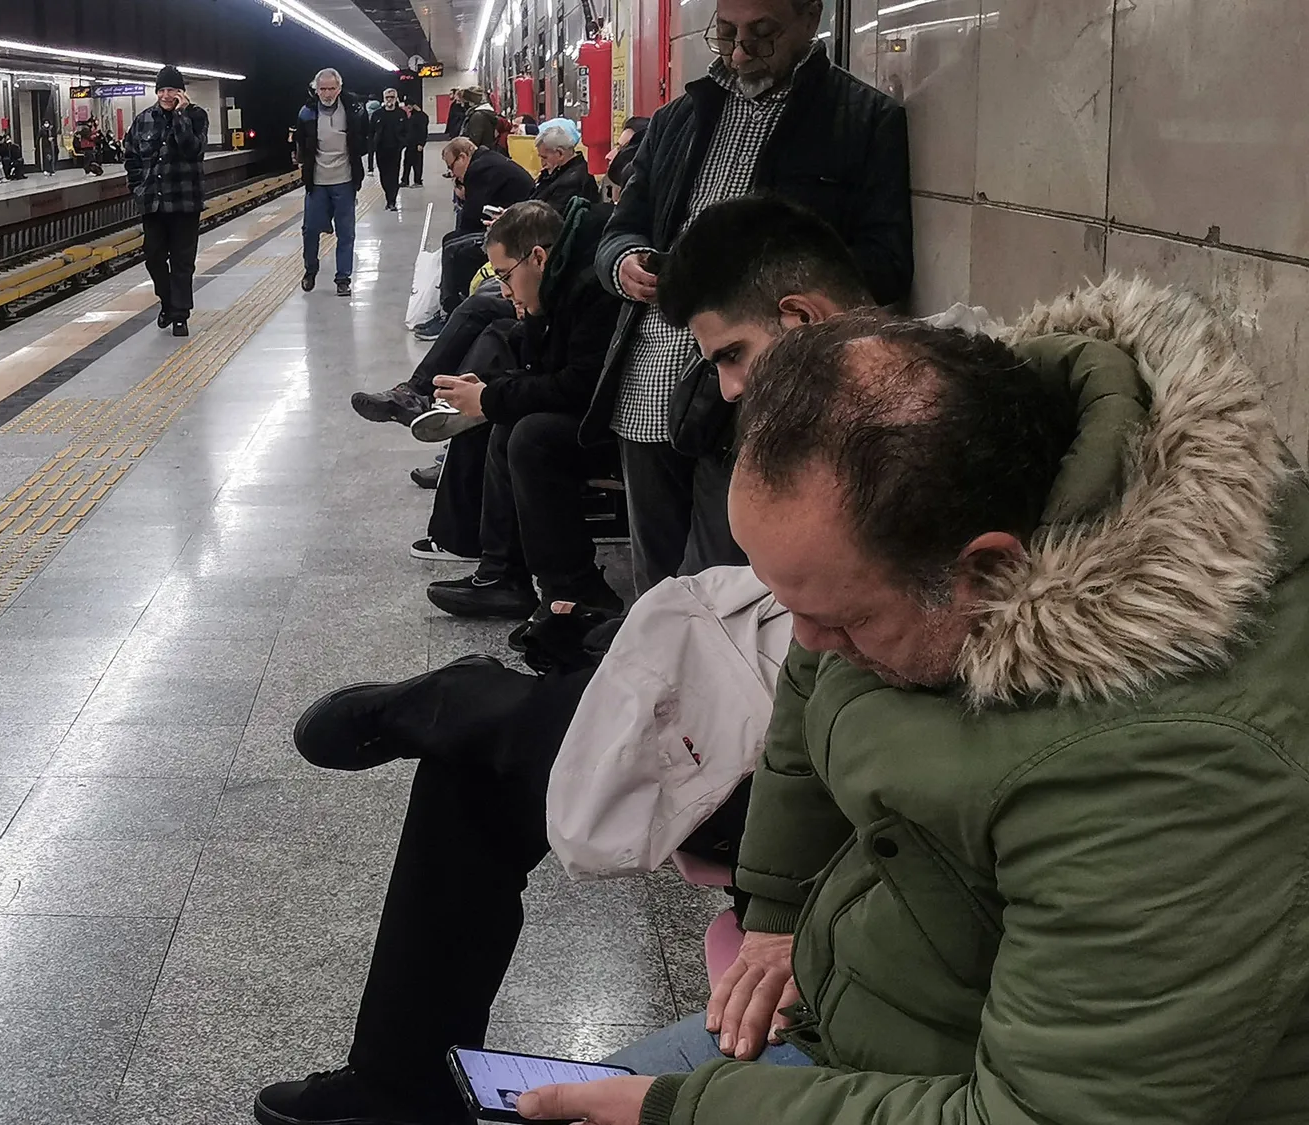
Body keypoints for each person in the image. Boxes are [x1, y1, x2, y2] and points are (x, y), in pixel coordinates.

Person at [513, 278, 1309, 1125]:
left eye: (840, 618)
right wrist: (776, 909)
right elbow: (811, 697)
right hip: (884, 1010)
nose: (808, 644)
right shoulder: (942, 534)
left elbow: (1045, 1112)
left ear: (994, 572)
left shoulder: (1180, 771)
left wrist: (688, 1112)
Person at [248, 197, 919, 1125]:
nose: (726, 389)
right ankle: (397, 1081)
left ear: (800, 319)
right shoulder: (879, 428)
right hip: (813, 788)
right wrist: (770, 905)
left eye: (728, 355)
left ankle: (478, 703)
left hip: (852, 845)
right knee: (484, 763)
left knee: (500, 742)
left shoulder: (924, 452)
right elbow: (814, 674)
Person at [589, 0, 911, 594]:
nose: (740, 53)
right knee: (655, 582)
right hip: (649, 381)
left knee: (731, 585)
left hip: (754, 391)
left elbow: (886, 267)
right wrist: (625, 264)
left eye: (762, 36)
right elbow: (619, 229)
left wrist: (771, 289)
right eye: (726, 34)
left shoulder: (861, 121)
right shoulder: (680, 117)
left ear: (810, 19)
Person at [418, 198, 626, 622]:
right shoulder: (555, 290)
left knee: (532, 437)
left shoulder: (591, 290)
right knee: (508, 424)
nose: (505, 290)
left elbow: (579, 385)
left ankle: (575, 591)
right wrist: (493, 391)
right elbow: (542, 371)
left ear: (538, 257)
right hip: (593, 411)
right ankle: (502, 576)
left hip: (620, 422)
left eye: (505, 276)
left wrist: (492, 398)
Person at [410, 137, 533, 339]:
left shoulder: (478, 169)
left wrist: (463, 196)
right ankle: (448, 308)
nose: (452, 174)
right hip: (515, 223)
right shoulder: (487, 160)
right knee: (452, 241)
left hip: (516, 234)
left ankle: (451, 312)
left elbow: (471, 217)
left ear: (463, 157)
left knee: (456, 249)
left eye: (451, 167)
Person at [123, 65, 210, 338]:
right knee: (154, 257)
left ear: (181, 92)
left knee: (183, 261)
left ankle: (180, 316)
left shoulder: (196, 116)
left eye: (171, 90)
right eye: (162, 89)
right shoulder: (143, 119)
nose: (166, 95)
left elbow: (193, 150)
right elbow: (131, 156)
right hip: (153, 203)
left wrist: (181, 116)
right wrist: (137, 188)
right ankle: (168, 302)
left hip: (185, 202)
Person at [295, 68, 369, 296]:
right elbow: (300, 142)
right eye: (322, 89)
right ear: (315, 89)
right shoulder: (306, 113)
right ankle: (310, 268)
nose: (327, 93)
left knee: (346, 232)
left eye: (331, 88)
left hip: (344, 180)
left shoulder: (353, 110)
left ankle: (343, 278)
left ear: (339, 88)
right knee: (310, 230)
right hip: (317, 181)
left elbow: (364, 137)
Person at [529, 118, 596, 207]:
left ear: (560, 153)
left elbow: (546, 215)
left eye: (544, 157)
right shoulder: (561, 171)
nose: (542, 163)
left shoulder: (571, 182)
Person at [369, 88, 407, 211]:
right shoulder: (377, 115)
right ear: (383, 99)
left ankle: (392, 201)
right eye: (387, 97)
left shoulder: (401, 114)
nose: (389, 99)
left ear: (396, 98)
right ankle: (388, 197)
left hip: (395, 149)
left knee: (394, 175)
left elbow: (406, 130)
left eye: (392, 97)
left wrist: (403, 143)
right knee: (383, 175)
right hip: (381, 149)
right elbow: (371, 131)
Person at [402, 98, 430, 187]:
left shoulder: (422, 116)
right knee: (406, 163)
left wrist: (421, 143)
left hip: (417, 144)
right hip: (409, 144)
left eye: (408, 106)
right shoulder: (412, 115)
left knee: (417, 163)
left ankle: (418, 181)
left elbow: (423, 131)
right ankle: (405, 181)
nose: (407, 108)